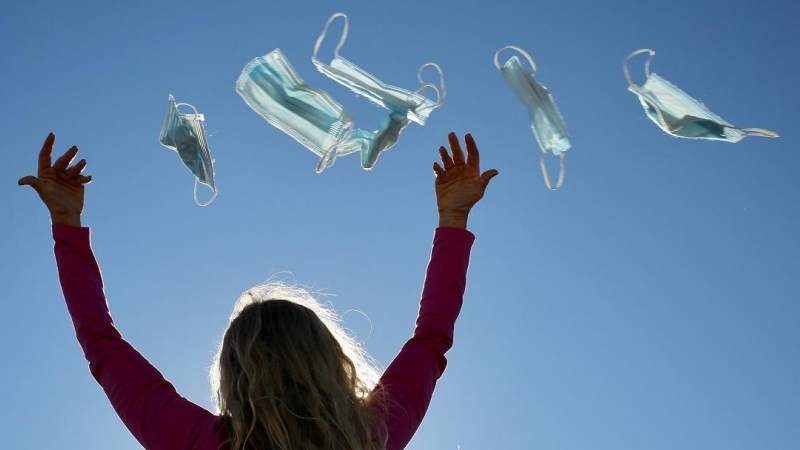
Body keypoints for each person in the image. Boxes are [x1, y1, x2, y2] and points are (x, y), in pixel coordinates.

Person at [19, 132, 498, 450]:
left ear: (233, 373)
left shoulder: (202, 442)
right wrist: (453, 220)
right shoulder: (372, 434)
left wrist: (67, 223)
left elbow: (100, 345)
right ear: (330, 359)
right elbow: (432, 338)